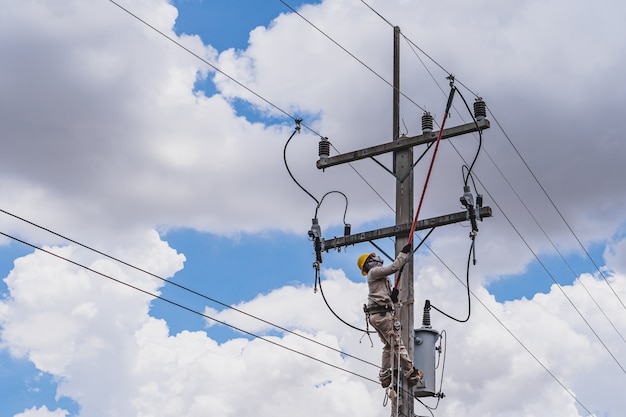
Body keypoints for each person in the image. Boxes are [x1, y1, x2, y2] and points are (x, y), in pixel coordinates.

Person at [357, 245, 424, 388]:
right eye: (373, 257)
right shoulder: (374, 272)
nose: (377, 258)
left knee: (389, 346)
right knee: (397, 344)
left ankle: (384, 374)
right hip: (381, 315)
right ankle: (411, 372)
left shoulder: (379, 277)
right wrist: (403, 254)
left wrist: (391, 297)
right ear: (369, 262)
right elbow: (394, 267)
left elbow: (381, 295)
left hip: (377, 314)